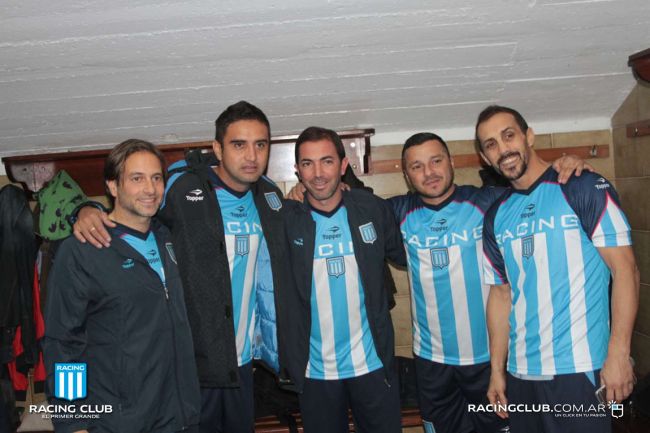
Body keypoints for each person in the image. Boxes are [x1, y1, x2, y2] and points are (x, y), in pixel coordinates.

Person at [71, 102, 294, 433]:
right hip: (191, 365)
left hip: (244, 363)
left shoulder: (270, 196)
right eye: (239, 144)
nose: (251, 155)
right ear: (217, 148)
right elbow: (134, 207)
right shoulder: (180, 187)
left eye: (260, 144)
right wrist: (85, 210)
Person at [476, 105, 640, 432]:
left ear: (529, 136)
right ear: (484, 157)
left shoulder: (582, 186)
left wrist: (620, 354)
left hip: (580, 370)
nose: (503, 149)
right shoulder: (496, 215)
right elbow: (501, 295)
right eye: (491, 144)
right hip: (521, 374)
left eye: (509, 135)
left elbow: (626, 271)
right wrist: (497, 370)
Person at [43, 139, 201, 433]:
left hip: (180, 416)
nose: (150, 189)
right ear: (113, 186)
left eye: (156, 178)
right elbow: (63, 344)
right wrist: (73, 421)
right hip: (118, 422)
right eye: (137, 179)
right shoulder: (81, 251)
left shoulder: (170, 237)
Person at [282, 126, 406, 433]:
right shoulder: (285, 221)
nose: (318, 174)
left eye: (327, 161)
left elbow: (408, 256)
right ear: (297, 170)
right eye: (308, 164)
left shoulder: (372, 209)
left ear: (343, 165)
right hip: (315, 372)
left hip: (373, 365)